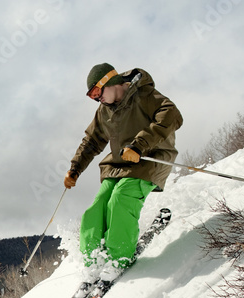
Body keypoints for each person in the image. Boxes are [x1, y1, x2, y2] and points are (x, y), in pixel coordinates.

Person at [64, 63, 182, 282]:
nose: (96, 99)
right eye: (92, 96)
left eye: (97, 92)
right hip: (119, 164)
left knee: (120, 200)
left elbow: (172, 114)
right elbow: (92, 141)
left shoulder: (143, 94)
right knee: (97, 207)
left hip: (149, 159)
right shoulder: (104, 111)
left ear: (109, 82)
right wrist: (75, 168)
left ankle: (119, 258)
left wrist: (139, 145)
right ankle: (94, 261)